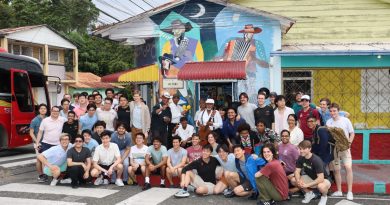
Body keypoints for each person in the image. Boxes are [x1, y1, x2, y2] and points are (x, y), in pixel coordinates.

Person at [326, 103, 354, 200]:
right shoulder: (328, 122)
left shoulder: (346, 120)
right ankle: (339, 191)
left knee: (348, 167)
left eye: (334, 111)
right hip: (334, 149)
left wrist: (349, 142)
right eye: (331, 111)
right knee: (337, 170)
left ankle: (350, 192)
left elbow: (352, 133)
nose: (332, 113)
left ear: (338, 111)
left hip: (345, 148)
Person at [291, 140, 331, 205]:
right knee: (293, 180)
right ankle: (309, 193)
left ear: (310, 149)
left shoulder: (316, 160)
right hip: (311, 178)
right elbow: (297, 171)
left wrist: (307, 185)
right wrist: (298, 180)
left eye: (304, 149)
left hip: (324, 180)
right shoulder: (301, 157)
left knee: (321, 186)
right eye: (300, 149)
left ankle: (324, 197)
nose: (301, 151)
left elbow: (321, 178)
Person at [29, 103, 48, 182]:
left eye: (44, 108)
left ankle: (46, 174)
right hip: (38, 143)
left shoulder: (48, 118)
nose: (43, 110)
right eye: (41, 108)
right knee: (39, 159)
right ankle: (41, 175)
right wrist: (37, 142)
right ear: (39, 110)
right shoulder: (34, 120)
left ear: (46, 110)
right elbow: (31, 132)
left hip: (47, 142)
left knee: (46, 159)